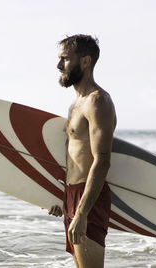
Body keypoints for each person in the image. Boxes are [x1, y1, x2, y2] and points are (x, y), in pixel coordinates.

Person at [48, 34, 117, 268]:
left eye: (65, 59)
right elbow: (73, 159)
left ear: (85, 61)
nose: (58, 65)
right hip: (72, 195)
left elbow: (102, 160)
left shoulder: (98, 101)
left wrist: (81, 213)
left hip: (88, 199)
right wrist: (60, 198)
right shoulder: (75, 104)